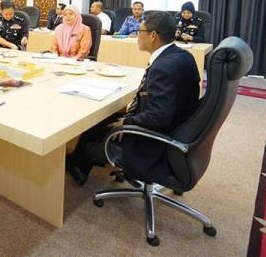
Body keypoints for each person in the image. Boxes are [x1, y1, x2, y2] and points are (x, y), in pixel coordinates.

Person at [65, 11, 200, 185]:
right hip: (178, 131)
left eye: (140, 31)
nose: (137, 36)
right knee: (103, 122)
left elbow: (158, 116)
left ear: (153, 35)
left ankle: (79, 164)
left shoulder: (163, 68)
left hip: (155, 142)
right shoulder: (181, 55)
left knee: (95, 127)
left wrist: (128, 122)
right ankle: (80, 166)